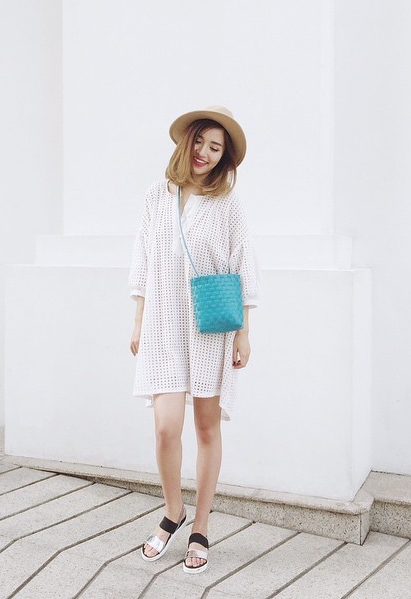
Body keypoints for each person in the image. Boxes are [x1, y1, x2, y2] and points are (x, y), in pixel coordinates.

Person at [128, 106, 259, 574]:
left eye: (215, 147)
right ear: (187, 142)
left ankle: (201, 525)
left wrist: (244, 332)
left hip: (209, 330)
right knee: (166, 428)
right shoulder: (156, 195)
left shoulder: (228, 205)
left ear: (224, 157)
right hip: (163, 325)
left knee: (206, 428)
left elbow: (244, 266)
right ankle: (173, 511)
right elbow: (143, 259)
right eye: (200, 141)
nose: (204, 152)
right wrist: (138, 321)